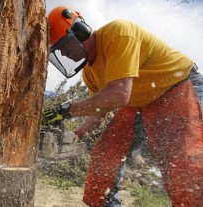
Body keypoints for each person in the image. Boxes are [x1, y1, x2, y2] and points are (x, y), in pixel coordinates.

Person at [43, 6, 203, 207]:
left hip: (177, 87)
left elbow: (119, 94)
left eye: (66, 46)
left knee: (186, 162)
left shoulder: (118, 33)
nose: (66, 54)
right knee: (106, 154)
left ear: (79, 30)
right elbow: (98, 110)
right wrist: (78, 133)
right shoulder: (89, 73)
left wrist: (66, 109)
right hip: (138, 102)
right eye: (60, 51)